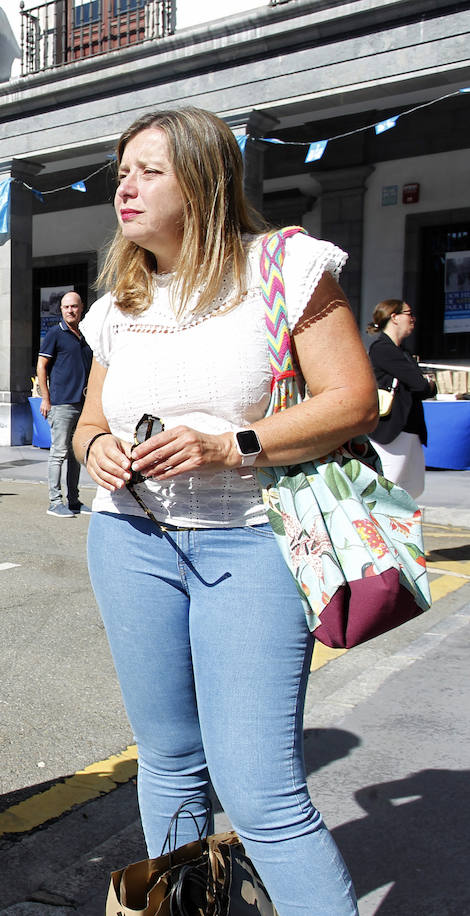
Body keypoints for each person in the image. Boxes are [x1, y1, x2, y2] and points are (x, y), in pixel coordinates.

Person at [73, 107, 373, 915]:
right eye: (121, 172)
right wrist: (93, 448)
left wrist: (230, 444)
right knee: (168, 760)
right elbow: (89, 423)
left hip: (252, 542)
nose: (125, 186)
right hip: (129, 537)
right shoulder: (119, 303)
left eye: (148, 170)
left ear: (203, 181)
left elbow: (354, 400)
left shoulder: (285, 266)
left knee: (262, 789)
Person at [367, 299, 436, 497]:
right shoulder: (383, 349)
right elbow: (421, 385)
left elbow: (420, 387)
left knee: (413, 489)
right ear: (395, 317)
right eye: (409, 313)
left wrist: (424, 386)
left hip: (410, 428)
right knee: (387, 490)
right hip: (392, 429)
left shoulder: (402, 352)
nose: (413, 319)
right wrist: (427, 384)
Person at [35, 291, 92, 517]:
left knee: (75, 455)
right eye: (66, 307)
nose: (70, 310)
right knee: (58, 454)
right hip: (61, 404)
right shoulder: (54, 334)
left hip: (82, 403)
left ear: (81, 308)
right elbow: (41, 366)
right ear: (61, 310)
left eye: (74, 306)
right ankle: (54, 501)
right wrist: (46, 398)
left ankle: (74, 500)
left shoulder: (85, 336)